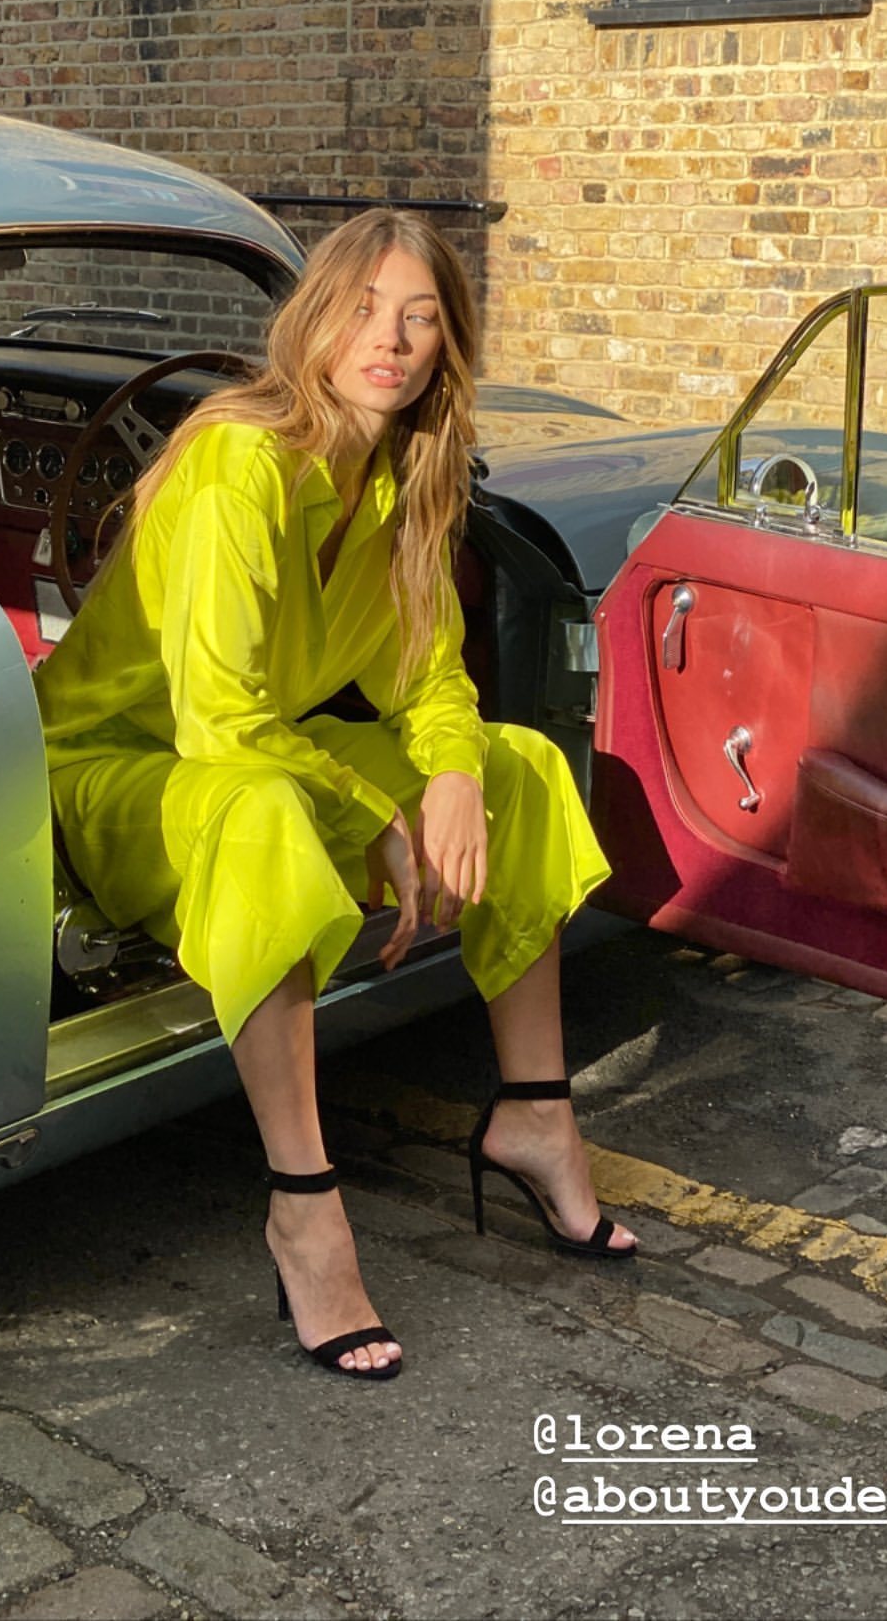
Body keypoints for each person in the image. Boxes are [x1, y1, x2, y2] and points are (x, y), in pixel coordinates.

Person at [35, 209, 637, 1383]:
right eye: (363, 309)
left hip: (267, 748)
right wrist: (372, 812)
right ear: (313, 321)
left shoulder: (406, 479)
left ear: (448, 343)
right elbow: (218, 719)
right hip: (115, 768)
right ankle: (304, 1207)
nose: (390, 341)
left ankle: (535, 1113)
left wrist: (449, 773)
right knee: (265, 810)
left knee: (515, 766)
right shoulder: (236, 460)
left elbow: (431, 677)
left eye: (420, 317)